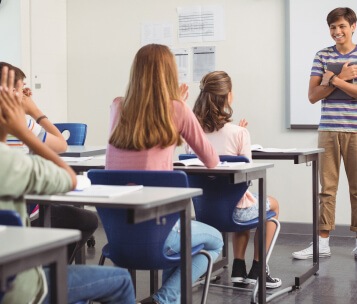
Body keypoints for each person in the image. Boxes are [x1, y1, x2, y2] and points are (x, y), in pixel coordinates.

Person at [0, 66, 135, 303]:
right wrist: (30, 115)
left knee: (84, 219)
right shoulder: (13, 154)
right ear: (10, 95)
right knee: (88, 226)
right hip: (17, 287)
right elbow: (62, 151)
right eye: (21, 90)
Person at [106, 43, 224, 304]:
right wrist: (180, 107)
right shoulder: (177, 108)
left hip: (116, 236)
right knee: (215, 242)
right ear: (170, 72)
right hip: (160, 233)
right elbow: (211, 160)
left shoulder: (117, 106)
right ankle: (161, 300)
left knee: (182, 234)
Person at [0, 62, 98, 264]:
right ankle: (56, 277)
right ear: (10, 93)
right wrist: (34, 111)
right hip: (27, 215)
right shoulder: (23, 125)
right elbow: (61, 144)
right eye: (22, 88)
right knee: (86, 219)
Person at [191, 71, 281, 289]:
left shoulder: (192, 132)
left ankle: (238, 268)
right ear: (228, 96)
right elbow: (245, 177)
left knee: (242, 198)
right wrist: (242, 136)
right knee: (269, 203)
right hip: (234, 212)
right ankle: (258, 269)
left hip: (205, 212)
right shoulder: (239, 133)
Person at [292, 7, 357, 260]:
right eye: (332, 27)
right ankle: (322, 242)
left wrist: (334, 80)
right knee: (327, 189)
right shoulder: (322, 56)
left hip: (355, 131)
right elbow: (312, 96)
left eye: (341, 26)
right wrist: (341, 77)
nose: (337, 31)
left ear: (353, 26)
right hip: (328, 129)